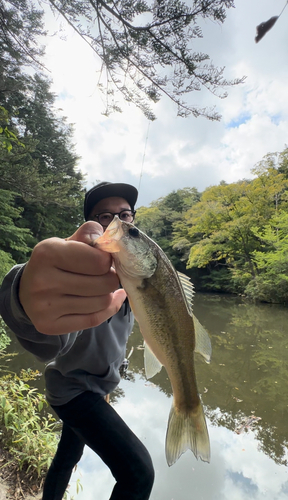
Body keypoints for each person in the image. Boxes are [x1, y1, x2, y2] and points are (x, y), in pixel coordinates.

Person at [0, 182, 155, 500]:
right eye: (106, 216)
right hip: (74, 394)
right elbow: (52, 334)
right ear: (93, 228)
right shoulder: (86, 281)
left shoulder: (132, 279)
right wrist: (21, 299)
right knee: (139, 473)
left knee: (68, 458)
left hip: (98, 390)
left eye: (125, 214)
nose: (119, 222)